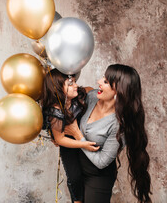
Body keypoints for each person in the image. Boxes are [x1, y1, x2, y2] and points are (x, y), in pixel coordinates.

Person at [64, 64, 152, 203]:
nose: (98, 82)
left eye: (105, 82)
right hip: (77, 171)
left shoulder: (120, 124)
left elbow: (102, 161)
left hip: (98, 177)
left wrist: (77, 135)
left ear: (119, 91)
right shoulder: (91, 97)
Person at [41, 69, 99, 203]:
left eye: (74, 82)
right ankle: (77, 200)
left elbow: (91, 91)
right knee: (75, 177)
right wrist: (83, 144)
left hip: (86, 137)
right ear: (58, 89)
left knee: (90, 174)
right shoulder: (55, 111)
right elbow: (60, 139)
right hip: (69, 145)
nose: (76, 86)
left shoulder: (80, 95)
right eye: (70, 84)